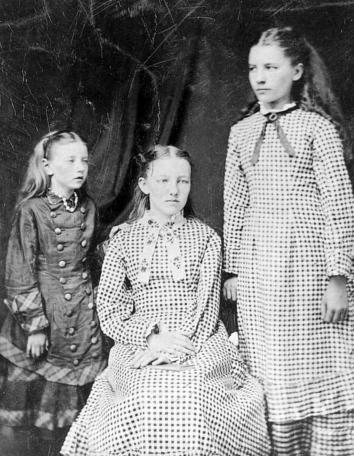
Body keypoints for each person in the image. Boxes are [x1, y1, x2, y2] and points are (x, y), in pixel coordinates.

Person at [61, 145, 271, 456]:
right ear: (144, 185)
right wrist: (150, 339)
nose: (174, 190)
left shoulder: (207, 238)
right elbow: (109, 307)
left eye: (182, 181)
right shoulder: (123, 240)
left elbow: (206, 306)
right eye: (163, 181)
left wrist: (176, 347)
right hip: (140, 343)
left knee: (191, 393)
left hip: (198, 341)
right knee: (142, 394)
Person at [223, 26, 354, 455]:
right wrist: (234, 268)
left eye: (271, 67)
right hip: (262, 272)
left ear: (296, 71)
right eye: (253, 68)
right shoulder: (240, 133)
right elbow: (236, 206)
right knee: (271, 366)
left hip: (311, 266)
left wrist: (340, 276)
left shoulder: (318, 128)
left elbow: (340, 206)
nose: (259, 77)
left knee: (324, 358)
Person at [0, 131, 106, 455]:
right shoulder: (31, 210)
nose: (80, 167)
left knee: (77, 420)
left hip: (82, 313)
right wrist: (35, 326)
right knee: (35, 417)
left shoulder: (88, 206)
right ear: (47, 166)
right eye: (70, 160)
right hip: (47, 316)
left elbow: (91, 254)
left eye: (84, 160)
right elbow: (19, 271)